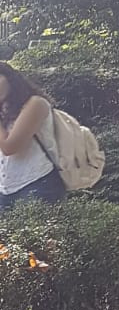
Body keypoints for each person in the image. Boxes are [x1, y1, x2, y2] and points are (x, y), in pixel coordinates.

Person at [0, 62, 65, 210]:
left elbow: (10, 147)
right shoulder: (4, 110)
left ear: (10, 78)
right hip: (5, 189)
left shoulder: (35, 104)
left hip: (38, 185)